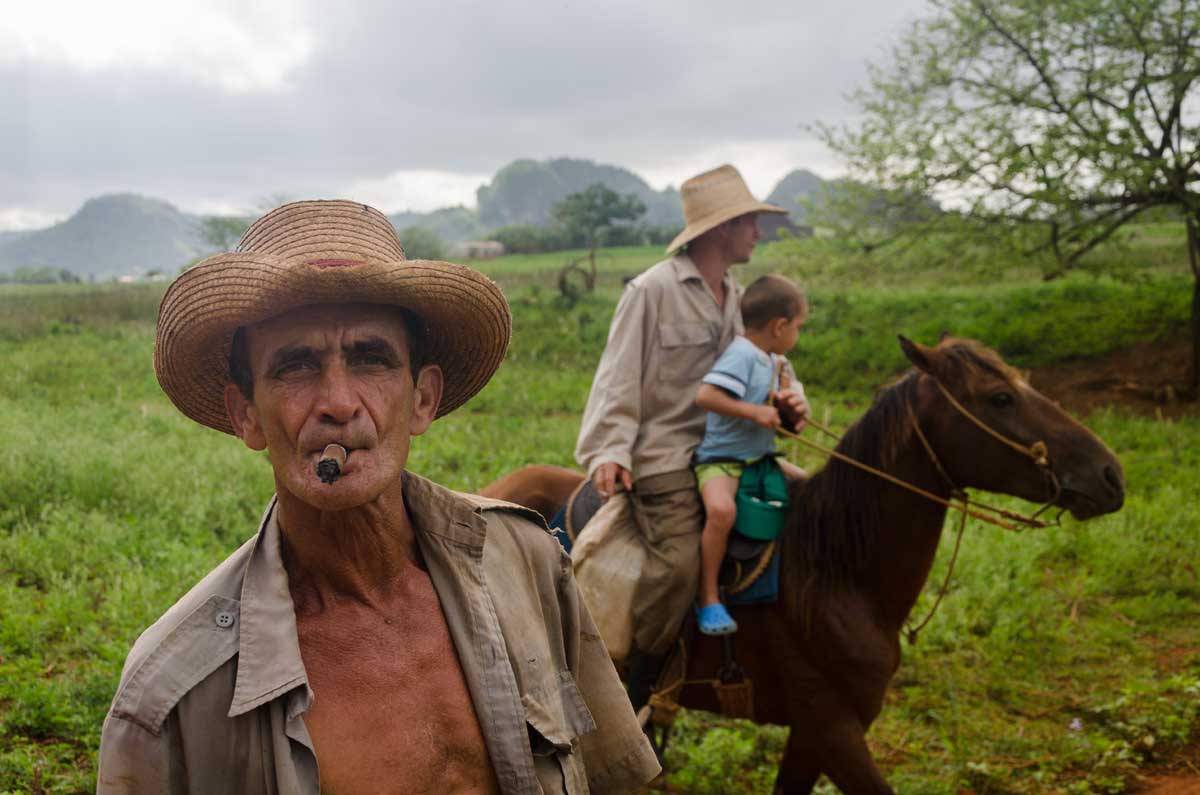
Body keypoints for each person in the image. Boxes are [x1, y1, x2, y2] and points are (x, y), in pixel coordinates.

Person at [96, 200, 659, 795]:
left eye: (370, 358)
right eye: (295, 366)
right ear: (246, 416)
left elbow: (605, 775)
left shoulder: (527, 560)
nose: (338, 401)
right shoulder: (173, 692)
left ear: (422, 399)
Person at [574, 166, 809, 711]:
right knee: (678, 564)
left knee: (814, 504)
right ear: (720, 229)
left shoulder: (740, 298)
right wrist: (611, 449)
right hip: (666, 456)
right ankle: (638, 694)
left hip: (731, 450)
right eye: (749, 221)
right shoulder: (651, 291)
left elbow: (775, 367)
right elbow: (618, 375)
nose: (758, 232)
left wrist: (790, 403)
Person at [692, 274, 809, 635]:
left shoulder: (777, 362)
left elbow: (790, 407)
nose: (798, 335)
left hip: (761, 456)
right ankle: (708, 595)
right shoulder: (742, 355)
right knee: (722, 511)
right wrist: (754, 412)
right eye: (798, 327)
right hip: (723, 459)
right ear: (779, 326)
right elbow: (707, 396)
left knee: (813, 488)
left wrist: (795, 406)